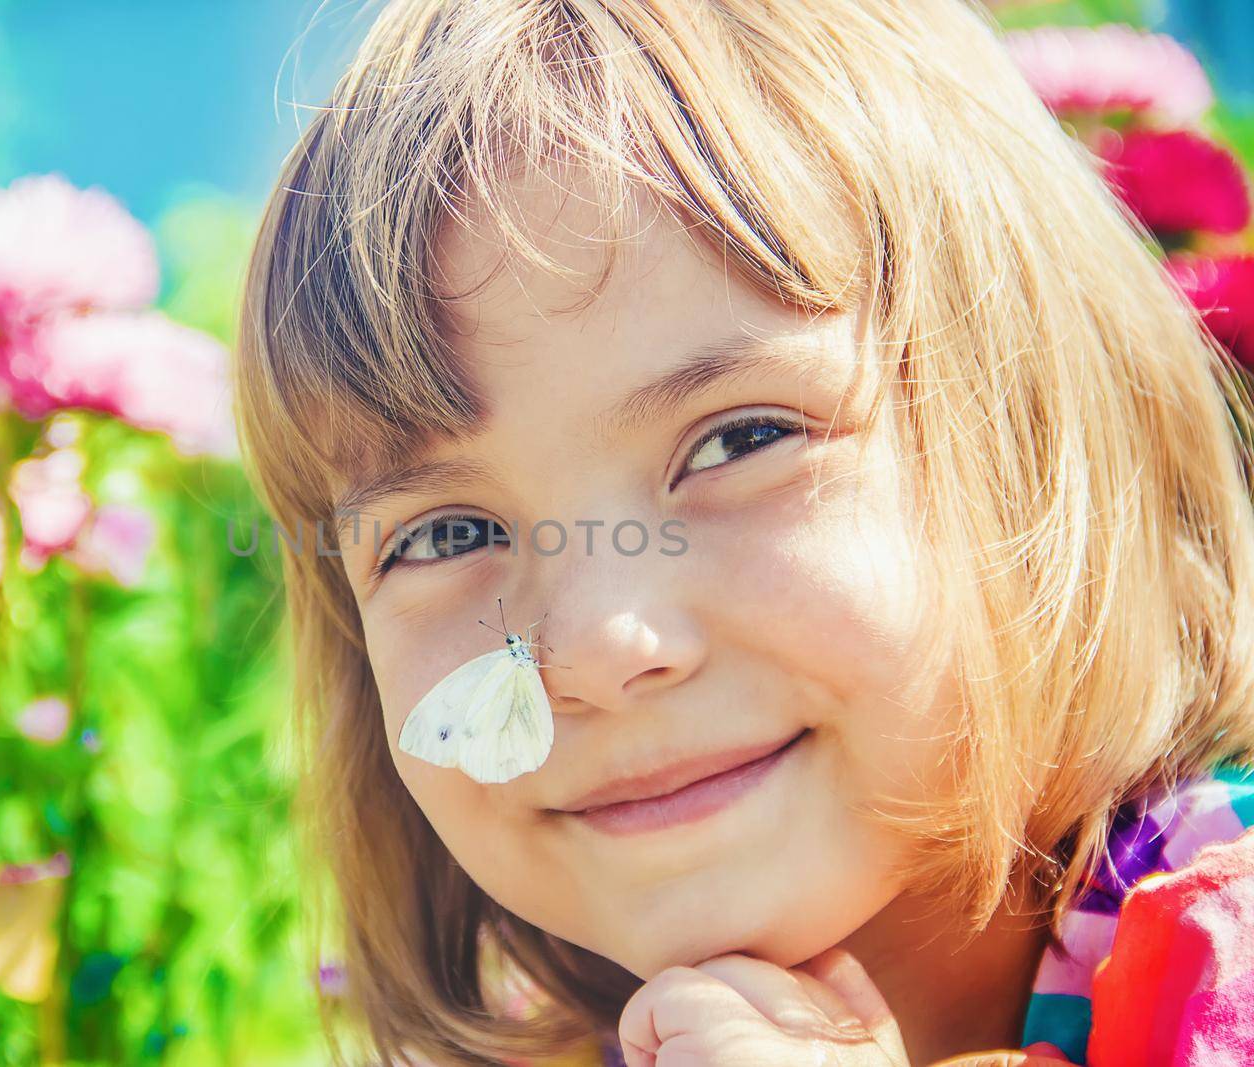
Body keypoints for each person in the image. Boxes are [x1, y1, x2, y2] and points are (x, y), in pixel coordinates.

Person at [231, 0, 1254, 1063]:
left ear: (1044, 432)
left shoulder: (1224, 954)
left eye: (739, 440)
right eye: (444, 534)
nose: (594, 650)